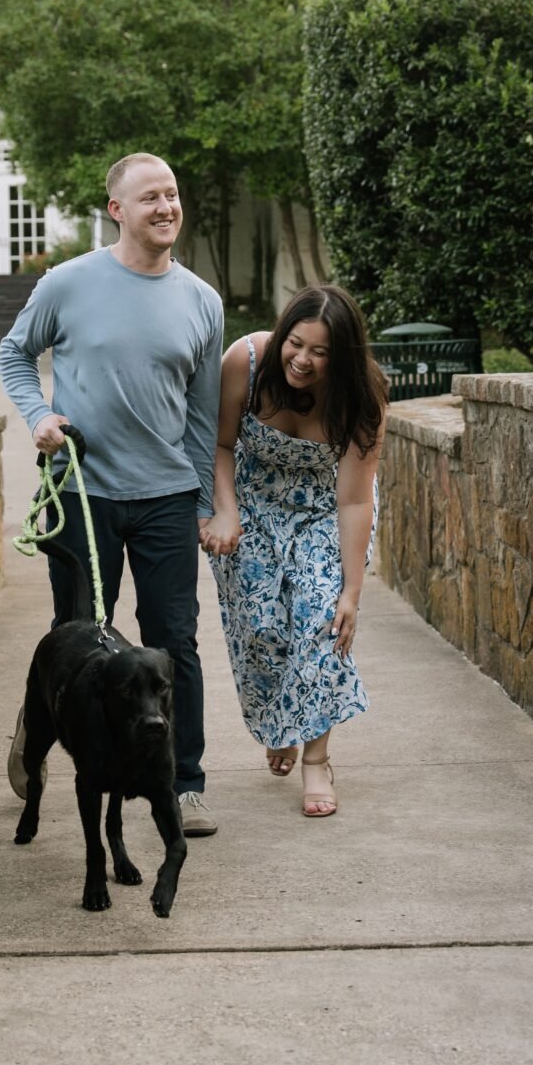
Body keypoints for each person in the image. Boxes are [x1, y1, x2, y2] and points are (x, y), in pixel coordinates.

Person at [0, 152, 224, 836]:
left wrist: (209, 504)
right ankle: (48, 742)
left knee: (173, 644)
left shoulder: (202, 301)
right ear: (116, 210)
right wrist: (40, 417)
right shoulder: (68, 284)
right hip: (82, 490)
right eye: (150, 197)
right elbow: (13, 355)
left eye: (173, 195)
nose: (166, 207)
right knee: (77, 640)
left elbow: (205, 417)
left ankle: (183, 783)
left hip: (166, 499)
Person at [199, 284, 388, 818]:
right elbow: (218, 443)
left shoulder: (362, 397)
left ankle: (316, 760)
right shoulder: (249, 359)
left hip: (322, 513)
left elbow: (353, 499)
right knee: (261, 630)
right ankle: (281, 722)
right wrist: (225, 510)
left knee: (322, 624)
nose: (302, 360)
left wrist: (351, 591)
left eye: (320, 352)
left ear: (342, 357)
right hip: (248, 504)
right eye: (296, 344)